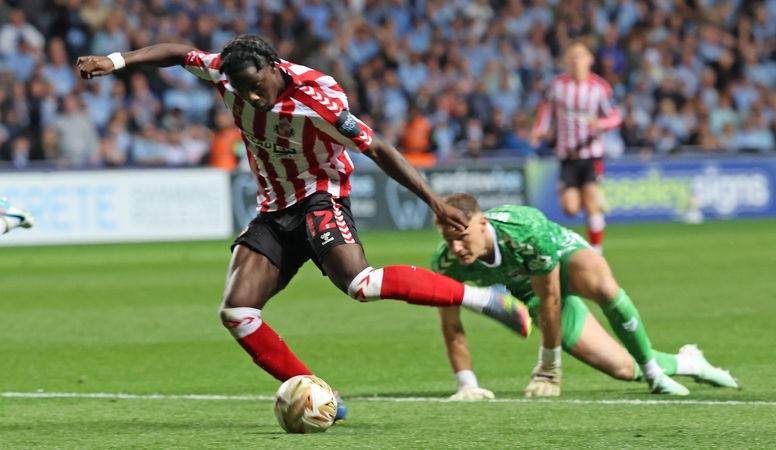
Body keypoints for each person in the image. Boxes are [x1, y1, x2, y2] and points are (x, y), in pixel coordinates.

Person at [76, 35, 533, 417]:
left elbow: (378, 149)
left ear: (274, 67)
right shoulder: (225, 72)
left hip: (320, 196)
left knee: (359, 284)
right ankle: (322, 397)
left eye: (256, 86)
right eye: (241, 90)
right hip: (274, 209)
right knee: (237, 312)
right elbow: (178, 52)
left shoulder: (319, 99)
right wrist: (116, 61)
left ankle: (481, 298)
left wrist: (434, 201)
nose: (251, 98)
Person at [432, 193, 738, 397]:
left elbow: (551, 293)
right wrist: (466, 384)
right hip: (533, 295)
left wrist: (549, 366)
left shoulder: (525, 230)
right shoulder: (446, 264)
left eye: (461, 237)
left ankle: (653, 372)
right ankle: (691, 364)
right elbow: (451, 324)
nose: (456, 248)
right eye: (448, 240)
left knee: (604, 287)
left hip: (562, 260)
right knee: (621, 368)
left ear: (482, 224)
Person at [531, 41, 622, 254]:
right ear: (566, 61)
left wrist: (601, 124)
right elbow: (547, 109)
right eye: (572, 56)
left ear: (590, 60)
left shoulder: (599, 88)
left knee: (590, 200)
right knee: (570, 208)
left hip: (592, 153)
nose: (576, 60)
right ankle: (593, 199)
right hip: (567, 155)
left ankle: (596, 250)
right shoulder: (558, 86)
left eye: (580, 56)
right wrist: (539, 129)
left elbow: (615, 116)